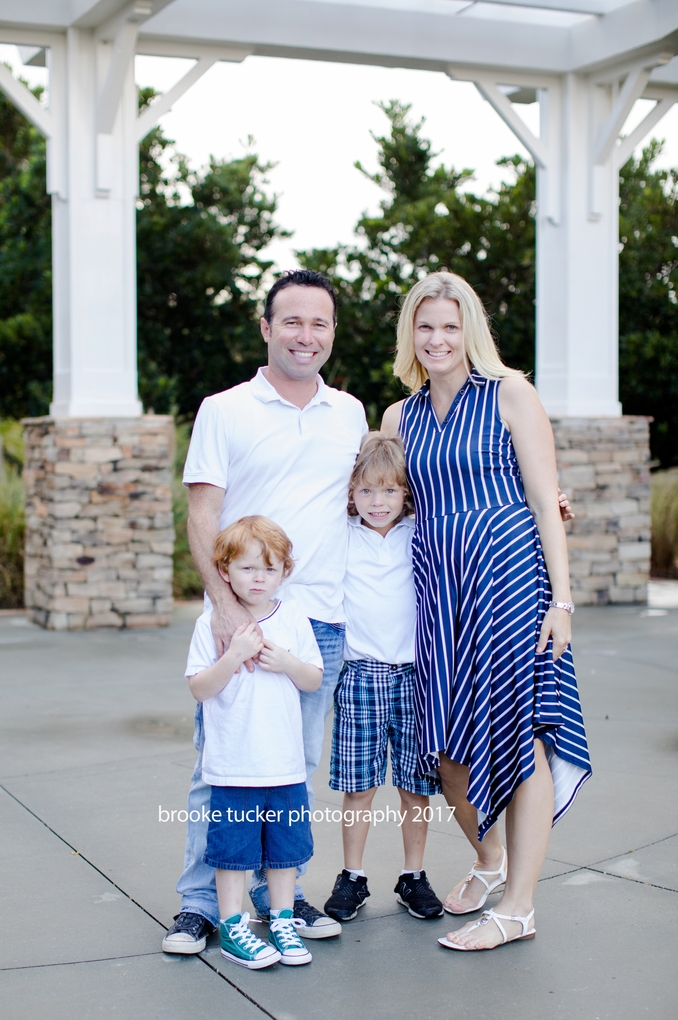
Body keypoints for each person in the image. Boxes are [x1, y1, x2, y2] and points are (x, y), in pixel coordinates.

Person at [382, 271, 591, 952]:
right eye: (426, 326)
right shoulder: (398, 417)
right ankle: (490, 860)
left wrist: (561, 600)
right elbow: (376, 500)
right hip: (438, 595)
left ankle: (520, 907)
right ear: (410, 333)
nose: (438, 339)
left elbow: (543, 497)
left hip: (510, 587)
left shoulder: (509, 394)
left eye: (450, 326)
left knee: (522, 739)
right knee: (447, 753)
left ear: (469, 331)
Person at [162, 270, 367, 955]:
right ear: (266, 327)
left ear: (332, 334)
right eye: (292, 322)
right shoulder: (225, 409)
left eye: (320, 324)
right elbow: (202, 512)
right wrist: (223, 608)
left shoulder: (350, 413)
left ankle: (278, 898)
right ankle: (198, 906)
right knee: (221, 767)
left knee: (290, 766)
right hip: (247, 619)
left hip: (320, 625)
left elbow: (378, 499)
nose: (305, 335)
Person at [186, 516, 324, 968]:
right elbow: (200, 688)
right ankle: (232, 927)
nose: (259, 578)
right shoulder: (212, 623)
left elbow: (313, 679)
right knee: (234, 852)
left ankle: (282, 920)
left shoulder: (295, 620)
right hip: (233, 766)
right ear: (225, 572)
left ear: (285, 571)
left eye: (270, 568)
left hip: (283, 765)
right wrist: (234, 656)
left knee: (285, 851)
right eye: (247, 569)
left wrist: (286, 662)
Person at [324, 433, 443, 924]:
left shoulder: (421, 531)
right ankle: (352, 876)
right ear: (351, 492)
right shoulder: (339, 534)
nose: (378, 502)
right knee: (360, 786)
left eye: (390, 491)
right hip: (360, 675)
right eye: (368, 491)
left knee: (416, 785)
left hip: (415, 675)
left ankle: (412, 876)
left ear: (406, 494)